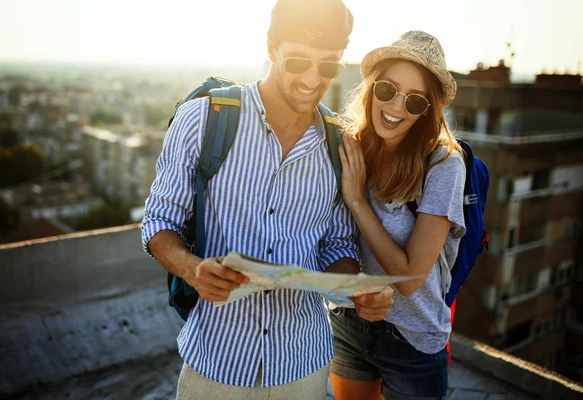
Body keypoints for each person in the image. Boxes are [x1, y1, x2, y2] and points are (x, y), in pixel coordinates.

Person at [141, 0, 394, 398]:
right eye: (298, 62)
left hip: (303, 365)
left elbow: (337, 244)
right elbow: (159, 221)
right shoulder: (203, 120)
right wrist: (192, 269)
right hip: (217, 359)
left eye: (328, 66)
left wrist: (356, 289)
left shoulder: (340, 145)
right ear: (271, 46)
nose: (313, 79)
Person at [329, 30, 466, 400]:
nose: (396, 108)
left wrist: (357, 201)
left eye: (415, 101)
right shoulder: (352, 146)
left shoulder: (442, 164)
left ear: (428, 111)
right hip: (349, 319)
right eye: (388, 90)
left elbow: (408, 280)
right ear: (372, 88)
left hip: (412, 338)